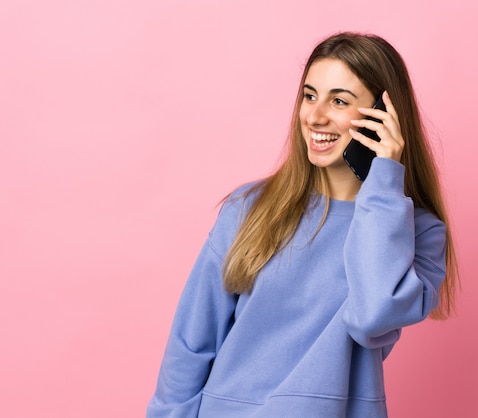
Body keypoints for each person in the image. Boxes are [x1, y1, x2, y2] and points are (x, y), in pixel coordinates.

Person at [147, 32, 459, 418]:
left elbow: (372, 316)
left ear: (384, 115)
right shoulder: (250, 208)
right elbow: (191, 342)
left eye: (339, 100)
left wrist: (384, 180)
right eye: (310, 96)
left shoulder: (418, 233)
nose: (315, 115)